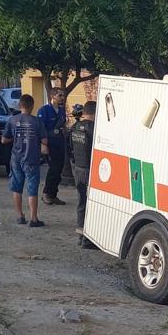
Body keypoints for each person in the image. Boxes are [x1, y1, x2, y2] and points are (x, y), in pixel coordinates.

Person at [2, 94, 48, 227]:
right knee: (32, 188)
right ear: (32, 106)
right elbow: (44, 140)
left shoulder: (12, 120)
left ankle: (20, 216)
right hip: (32, 158)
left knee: (17, 187)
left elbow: (4, 140)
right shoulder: (37, 121)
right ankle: (33, 219)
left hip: (16, 158)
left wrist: (16, 137)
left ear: (19, 105)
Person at [68, 100, 97, 248]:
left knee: (81, 203)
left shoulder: (74, 127)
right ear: (94, 113)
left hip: (78, 169)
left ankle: (81, 235)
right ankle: (89, 239)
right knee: (92, 204)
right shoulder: (94, 128)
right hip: (90, 170)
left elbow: (70, 148)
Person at [38, 88, 68, 205]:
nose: (62, 98)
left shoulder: (61, 110)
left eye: (62, 96)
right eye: (60, 95)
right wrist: (43, 144)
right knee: (53, 169)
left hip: (59, 142)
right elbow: (41, 128)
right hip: (49, 143)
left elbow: (63, 125)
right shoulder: (44, 110)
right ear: (52, 96)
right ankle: (46, 193)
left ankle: (53, 194)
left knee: (59, 169)